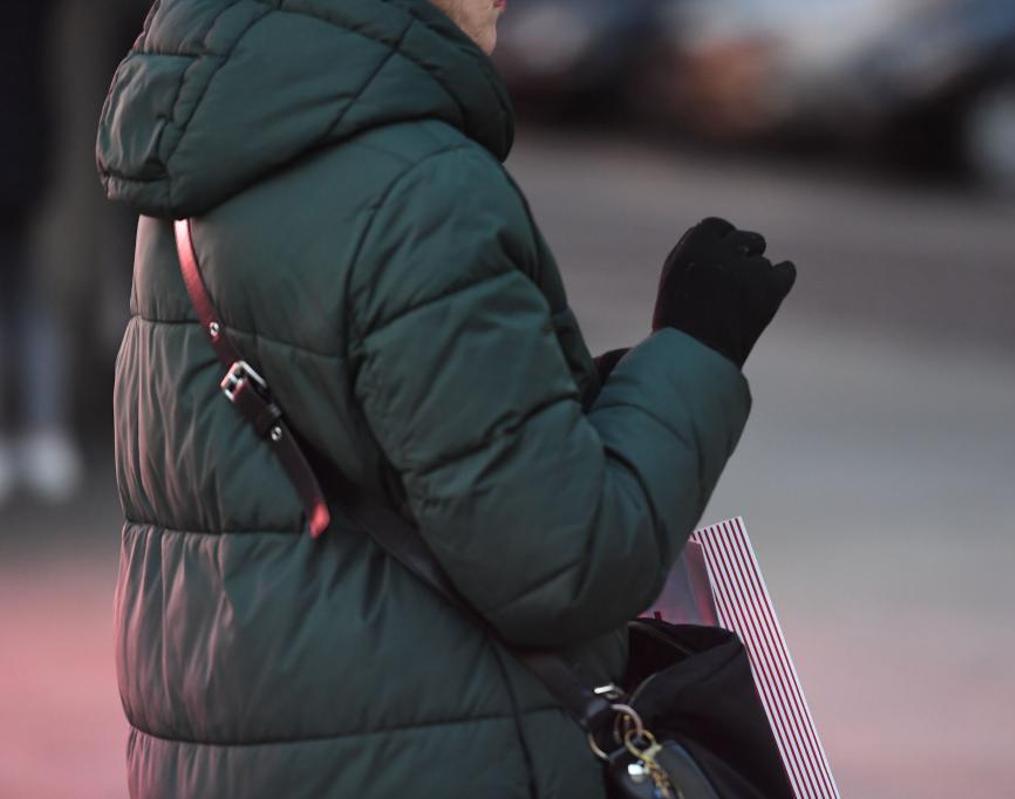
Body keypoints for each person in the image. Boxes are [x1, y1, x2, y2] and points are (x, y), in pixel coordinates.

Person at [97, 0, 795, 796]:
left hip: (244, 750)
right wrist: (696, 353)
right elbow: (563, 562)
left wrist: (589, 395)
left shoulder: (215, 151)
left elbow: (398, 437)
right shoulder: (422, 190)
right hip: (426, 755)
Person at [0, 0, 84, 504]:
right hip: (28, 153)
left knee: (28, 297)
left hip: (25, 153)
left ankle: (40, 431)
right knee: (31, 298)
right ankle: (43, 430)